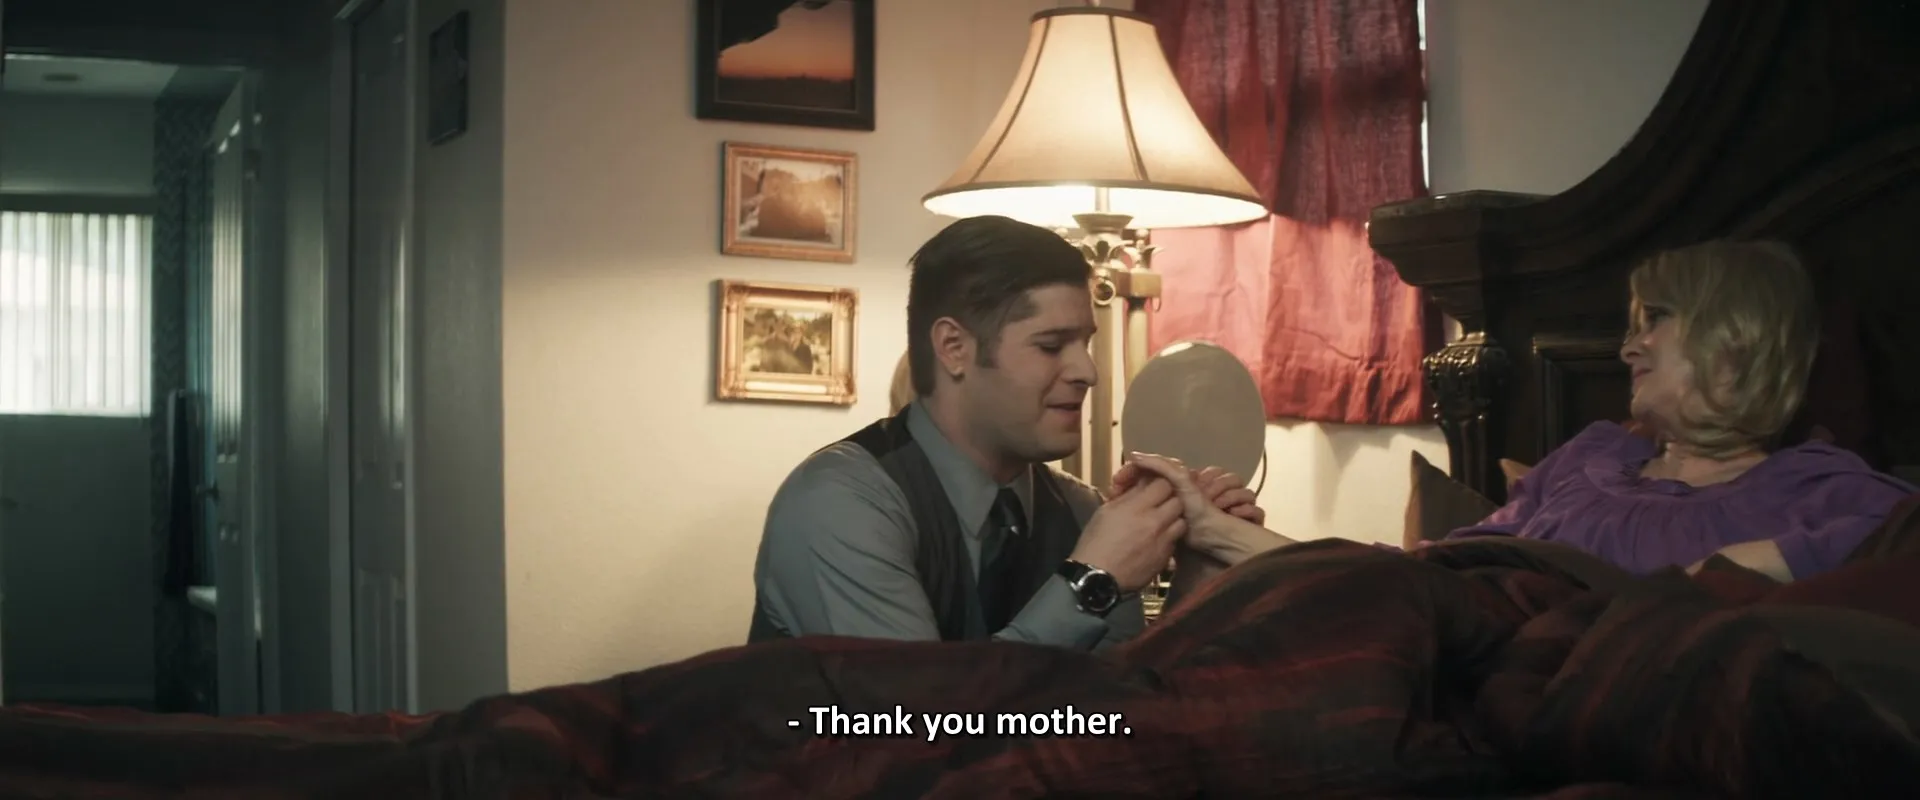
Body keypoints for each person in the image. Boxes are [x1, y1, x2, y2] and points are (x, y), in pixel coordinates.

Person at [1121, 239, 1915, 587]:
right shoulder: (1592, 461)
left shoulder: (1822, 488)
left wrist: (1727, 573)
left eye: (1656, 321)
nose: (1628, 348)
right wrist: (1222, 531)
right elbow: (1429, 580)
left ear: (1735, 337)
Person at [748, 215, 1261, 650]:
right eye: (1050, 345)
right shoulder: (839, 505)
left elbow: (1120, 711)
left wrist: (1197, 587)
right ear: (954, 348)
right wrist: (1089, 583)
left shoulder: (1083, 511)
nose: (1087, 371)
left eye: (1085, 344)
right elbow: (917, 723)